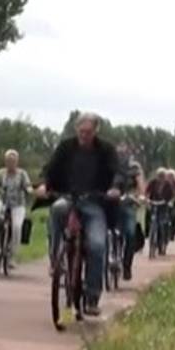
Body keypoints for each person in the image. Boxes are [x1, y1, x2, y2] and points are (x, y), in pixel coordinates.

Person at [34, 112, 121, 317]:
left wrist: (115, 188)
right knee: (56, 210)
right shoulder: (66, 147)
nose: (84, 135)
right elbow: (51, 168)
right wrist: (45, 185)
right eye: (81, 131)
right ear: (76, 130)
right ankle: (56, 258)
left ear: (96, 131)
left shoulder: (106, 150)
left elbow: (117, 171)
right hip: (68, 198)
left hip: (94, 203)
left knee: (98, 245)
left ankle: (92, 296)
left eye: (89, 132)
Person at [0, 149, 32, 260]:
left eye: (13, 161)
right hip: (3, 201)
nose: (10, 163)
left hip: (18, 204)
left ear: (17, 162)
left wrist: (29, 190)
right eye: (8, 161)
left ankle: (11, 253)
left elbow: (27, 185)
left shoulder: (22, 173)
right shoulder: (1, 172)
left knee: (17, 227)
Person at [114, 159, 146, 280]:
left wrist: (141, 196)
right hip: (112, 204)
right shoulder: (109, 163)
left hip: (128, 204)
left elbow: (140, 184)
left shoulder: (134, 167)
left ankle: (127, 266)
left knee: (131, 234)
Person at [144, 166, 175, 244]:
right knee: (148, 215)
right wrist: (146, 200)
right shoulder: (152, 182)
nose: (161, 177)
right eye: (159, 175)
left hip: (163, 204)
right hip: (153, 203)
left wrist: (169, 202)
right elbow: (147, 191)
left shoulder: (168, 184)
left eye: (162, 175)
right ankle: (147, 233)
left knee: (163, 222)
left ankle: (163, 239)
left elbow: (172, 195)